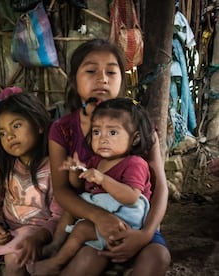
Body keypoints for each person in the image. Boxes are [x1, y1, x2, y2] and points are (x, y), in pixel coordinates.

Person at [47, 38, 171, 275]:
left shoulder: (141, 129)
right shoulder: (63, 129)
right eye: (91, 70)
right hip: (89, 221)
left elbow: (160, 188)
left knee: (157, 257)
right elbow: (62, 190)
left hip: (136, 224)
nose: (102, 78)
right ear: (74, 79)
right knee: (86, 262)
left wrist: (145, 235)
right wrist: (99, 217)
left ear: (122, 81)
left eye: (111, 72)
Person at [32, 98, 156, 275]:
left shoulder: (135, 163)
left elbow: (131, 197)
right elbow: (79, 186)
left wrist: (103, 179)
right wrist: (75, 171)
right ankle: (57, 244)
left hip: (126, 220)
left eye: (112, 133)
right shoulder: (96, 161)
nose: (103, 139)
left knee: (82, 229)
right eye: (97, 132)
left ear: (135, 138)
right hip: (105, 210)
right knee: (71, 207)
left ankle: (56, 263)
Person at [0, 92, 62, 276]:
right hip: (7, 230)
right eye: (2, 133)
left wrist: (40, 237)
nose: (10, 136)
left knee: (14, 258)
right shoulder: (4, 166)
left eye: (16, 125)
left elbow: (59, 215)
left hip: (38, 233)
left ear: (39, 125)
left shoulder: (54, 167)